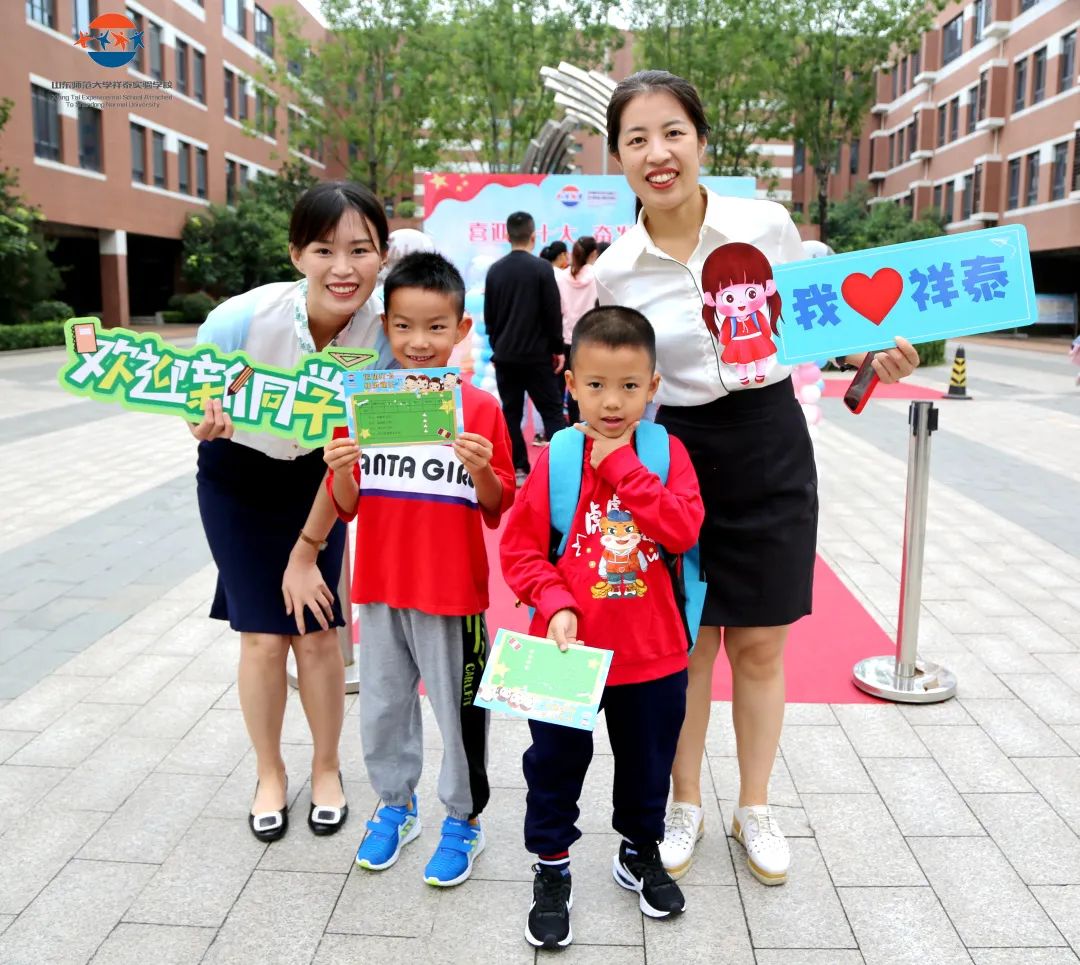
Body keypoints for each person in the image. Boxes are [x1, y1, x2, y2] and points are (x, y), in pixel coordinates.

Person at [594, 70, 921, 886]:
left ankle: (756, 805)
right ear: (618, 158)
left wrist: (872, 349)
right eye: (636, 139)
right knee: (690, 647)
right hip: (677, 453)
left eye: (672, 132)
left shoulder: (765, 226)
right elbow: (619, 383)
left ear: (701, 141)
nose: (657, 153)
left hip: (769, 440)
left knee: (762, 645)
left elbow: (828, 322)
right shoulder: (616, 270)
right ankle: (685, 802)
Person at [191, 180, 391, 842]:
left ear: (382, 255)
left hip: (322, 475)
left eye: (361, 250)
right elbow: (193, 395)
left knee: (318, 630)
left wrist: (308, 551)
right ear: (295, 253)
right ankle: (270, 772)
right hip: (238, 478)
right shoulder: (239, 319)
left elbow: (357, 453)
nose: (343, 268)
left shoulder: (385, 332)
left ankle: (328, 768)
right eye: (324, 249)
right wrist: (203, 416)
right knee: (263, 635)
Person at [501, 306, 705, 949]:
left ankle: (638, 850)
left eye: (628, 386)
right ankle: (552, 865)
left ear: (653, 386)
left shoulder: (668, 453)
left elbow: (682, 530)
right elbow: (521, 551)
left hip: (654, 649)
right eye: (595, 385)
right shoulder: (558, 456)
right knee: (554, 763)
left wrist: (622, 467)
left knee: (649, 762)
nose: (611, 402)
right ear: (570, 383)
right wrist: (555, 599)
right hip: (564, 650)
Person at [321, 252, 515, 887]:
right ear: (385, 325)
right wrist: (342, 465)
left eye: (436, 327)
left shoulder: (480, 410)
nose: (418, 342)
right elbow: (347, 505)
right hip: (377, 588)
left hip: (452, 594)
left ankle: (464, 818)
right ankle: (395, 805)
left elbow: (497, 506)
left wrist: (481, 465)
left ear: (462, 329)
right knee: (381, 706)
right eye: (403, 326)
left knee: (458, 714)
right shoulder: (365, 404)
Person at [484, 211, 567, 487]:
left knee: (511, 413)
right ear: (533, 236)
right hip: (538, 356)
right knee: (553, 411)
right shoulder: (542, 269)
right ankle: (560, 471)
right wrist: (557, 348)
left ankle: (519, 467)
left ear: (508, 236)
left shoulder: (495, 271)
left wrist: (498, 347)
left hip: (506, 356)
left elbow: (490, 317)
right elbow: (552, 312)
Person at [555, 236, 600, 424]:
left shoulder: (562, 276)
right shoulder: (598, 274)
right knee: (587, 384)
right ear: (593, 254)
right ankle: (583, 423)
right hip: (589, 338)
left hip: (566, 337)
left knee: (563, 385)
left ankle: (566, 426)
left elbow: (559, 308)